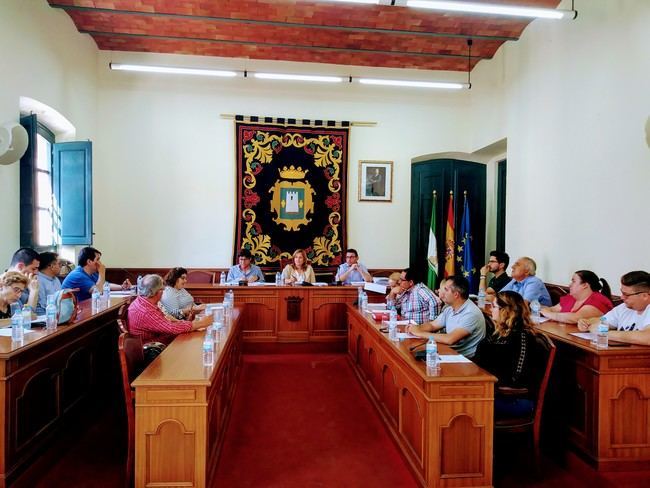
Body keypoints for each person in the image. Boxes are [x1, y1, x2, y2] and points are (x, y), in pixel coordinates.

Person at [473, 290, 539, 417]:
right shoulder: (500, 333)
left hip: (514, 399)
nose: (491, 309)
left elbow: (516, 379)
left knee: (461, 404)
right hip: (493, 392)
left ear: (506, 311)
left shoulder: (522, 336)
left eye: (494, 306)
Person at [406, 275, 485, 358]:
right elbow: (433, 325)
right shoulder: (450, 308)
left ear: (456, 295)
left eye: (446, 290)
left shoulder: (471, 313)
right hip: (448, 352)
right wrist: (416, 328)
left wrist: (419, 333)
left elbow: (450, 339)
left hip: (465, 360)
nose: (442, 293)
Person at [128, 274, 212, 345]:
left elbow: (165, 320)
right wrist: (201, 323)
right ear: (158, 291)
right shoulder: (146, 311)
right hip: (155, 350)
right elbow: (171, 328)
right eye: (162, 289)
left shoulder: (142, 301)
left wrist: (186, 323)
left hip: (160, 341)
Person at [578, 271, 650, 345]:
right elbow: (603, 321)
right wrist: (587, 323)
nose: (622, 297)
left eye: (626, 295)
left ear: (644, 296)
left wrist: (605, 333)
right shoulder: (624, 308)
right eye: (622, 293)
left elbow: (647, 337)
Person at [540, 270, 613, 324]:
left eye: (573, 281)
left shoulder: (598, 299)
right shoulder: (571, 297)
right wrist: (543, 310)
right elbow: (552, 309)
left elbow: (576, 318)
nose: (570, 285)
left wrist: (549, 314)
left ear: (585, 285)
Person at [62, 247, 132, 301]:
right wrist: (102, 272)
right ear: (89, 261)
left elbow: (104, 285)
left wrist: (122, 287)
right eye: (97, 259)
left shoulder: (91, 273)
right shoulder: (77, 275)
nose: (100, 263)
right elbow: (98, 292)